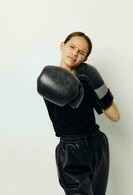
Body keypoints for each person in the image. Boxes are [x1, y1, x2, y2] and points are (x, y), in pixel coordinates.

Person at [37, 31, 120, 195]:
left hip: (97, 144)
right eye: (72, 47)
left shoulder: (87, 77)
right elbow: (67, 100)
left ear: (85, 59)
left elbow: (115, 116)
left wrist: (97, 81)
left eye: (81, 52)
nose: (75, 53)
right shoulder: (49, 78)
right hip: (71, 149)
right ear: (62, 46)